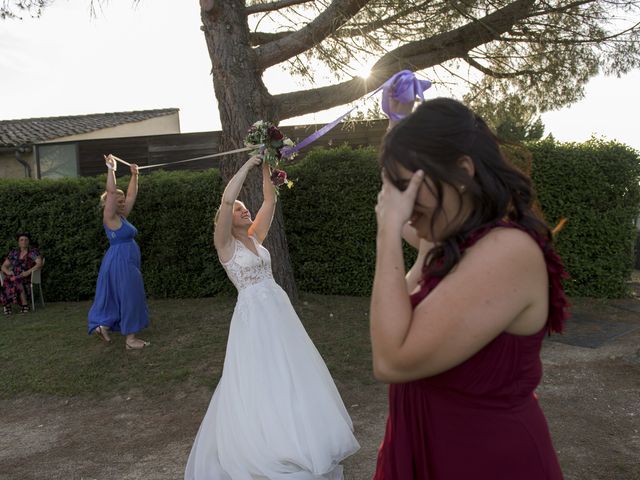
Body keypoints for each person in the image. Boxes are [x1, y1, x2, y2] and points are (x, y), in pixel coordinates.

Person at [370, 97, 569, 479]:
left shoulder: (507, 250)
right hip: (431, 447)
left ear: (462, 172)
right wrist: (397, 124)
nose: (401, 202)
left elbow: (391, 359)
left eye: (408, 187)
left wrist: (387, 231)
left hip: (485, 460)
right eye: (397, 190)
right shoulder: (451, 244)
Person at [185, 155, 359, 480]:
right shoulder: (224, 246)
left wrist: (266, 163)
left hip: (279, 312)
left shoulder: (255, 237)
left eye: (243, 208)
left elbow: (269, 198)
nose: (243, 210)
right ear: (226, 219)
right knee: (260, 373)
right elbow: (225, 199)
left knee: (290, 369)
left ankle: (300, 432)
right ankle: (266, 440)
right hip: (253, 319)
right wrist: (248, 165)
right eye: (239, 210)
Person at [87, 154, 150, 350]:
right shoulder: (110, 217)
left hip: (123, 260)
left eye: (122, 200)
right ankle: (131, 340)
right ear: (109, 203)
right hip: (120, 261)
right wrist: (111, 169)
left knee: (121, 295)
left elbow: (131, 196)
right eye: (118, 200)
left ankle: (103, 326)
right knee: (130, 296)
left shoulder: (122, 217)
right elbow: (112, 192)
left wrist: (134, 175)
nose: (122, 202)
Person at [1, 232, 43, 315]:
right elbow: (3, 266)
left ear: (28, 242)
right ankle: (10, 305)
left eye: (26, 240)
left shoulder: (32, 252)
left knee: (15, 280)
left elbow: (39, 263)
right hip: (13, 277)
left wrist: (28, 272)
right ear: (18, 242)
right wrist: (8, 271)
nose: (24, 242)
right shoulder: (14, 253)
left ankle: (19, 305)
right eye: (21, 240)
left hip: (26, 278)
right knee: (9, 280)